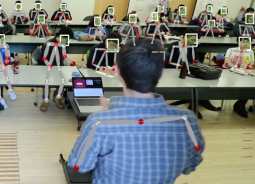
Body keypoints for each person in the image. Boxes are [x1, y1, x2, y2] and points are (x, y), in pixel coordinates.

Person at [68, 38, 205, 184]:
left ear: (118, 70)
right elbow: (190, 166)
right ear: (161, 72)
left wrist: (107, 115)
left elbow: (78, 166)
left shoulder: (98, 124)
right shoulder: (188, 121)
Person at [165, 28, 219, 118]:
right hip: (174, 73)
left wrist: (197, 65)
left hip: (188, 71)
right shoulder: (173, 46)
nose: (194, 41)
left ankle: (200, 101)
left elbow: (195, 59)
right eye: (193, 38)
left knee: (203, 81)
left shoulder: (191, 47)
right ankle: (196, 103)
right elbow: (167, 63)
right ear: (185, 37)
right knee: (194, 85)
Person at [37, 26, 79, 111]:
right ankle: (45, 99)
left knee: (63, 78)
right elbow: (43, 59)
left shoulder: (63, 44)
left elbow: (63, 57)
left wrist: (72, 63)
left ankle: (57, 96)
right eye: (68, 38)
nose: (68, 41)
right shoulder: (48, 44)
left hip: (58, 66)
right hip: (46, 67)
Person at [227, 37, 255, 118]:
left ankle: (241, 103)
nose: (246, 44)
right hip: (232, 73)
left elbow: (252, 65)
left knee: (250, 85)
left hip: (247, 73)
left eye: (248, 43)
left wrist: (248, 67)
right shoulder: (231, 50)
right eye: (244, 42)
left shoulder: (250, 51)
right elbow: (227, 63)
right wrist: (240, 66)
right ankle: (240, 104)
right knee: (244, 85)